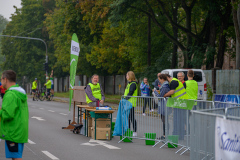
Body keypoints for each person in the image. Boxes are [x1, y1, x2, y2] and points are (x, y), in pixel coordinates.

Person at [0, 70, 29, 160]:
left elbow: (7, 115)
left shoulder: (10, 95)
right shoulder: (19, 93)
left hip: (13, 131)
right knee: (15, 156)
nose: (1, 81)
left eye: (1, 79)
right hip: (19, 129)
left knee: (16, 157)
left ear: (5, 79)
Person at [164, 74, 188, 140]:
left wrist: (163, 95)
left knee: (177, 120)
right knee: (180, 120)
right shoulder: (175, 81)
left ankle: (176, 135)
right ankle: (180, 136)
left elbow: (172, 92)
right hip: (180, 103)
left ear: (168, 78)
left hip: (180, 103)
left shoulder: (173, 82)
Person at [153, 74, 170, 139]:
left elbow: (160, 97)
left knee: (165, 121)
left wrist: (155, 92)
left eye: (159, 79)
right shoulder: (164, 86)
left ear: (162, 79)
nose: (159, 81)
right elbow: (162, 94)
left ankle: (165, 135)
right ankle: (165, 134)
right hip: (164, 105)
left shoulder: (165, 86)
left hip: (164, 106)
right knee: (164, 120)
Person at [124, 71, 138, 136]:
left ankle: (135, 131)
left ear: (130, 76)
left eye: (127, 75)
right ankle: (128, 130)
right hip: (128, 103)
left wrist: (124, 99)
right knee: (128, 117)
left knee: (131, 117)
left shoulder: (133, 84)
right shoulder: (129, 83)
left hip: (131, 103)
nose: (126, 76)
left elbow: (130, 93)